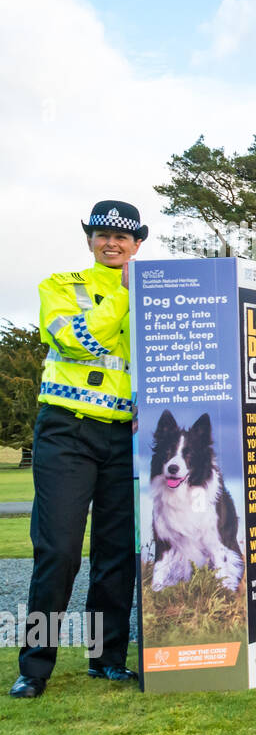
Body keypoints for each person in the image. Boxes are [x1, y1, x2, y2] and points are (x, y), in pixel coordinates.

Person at [11, 200, 145, 698]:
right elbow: (77, 341)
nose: (112, 243)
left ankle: (106, 658)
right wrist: (124, 298)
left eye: (122, 237)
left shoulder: (152, 292)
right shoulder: (60, 285)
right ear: (90, 239)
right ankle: (35, 666)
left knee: (117, 553)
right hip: (67, 431)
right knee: (59, 550)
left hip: (125, 437)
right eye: (103, 234)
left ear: (138, 244)